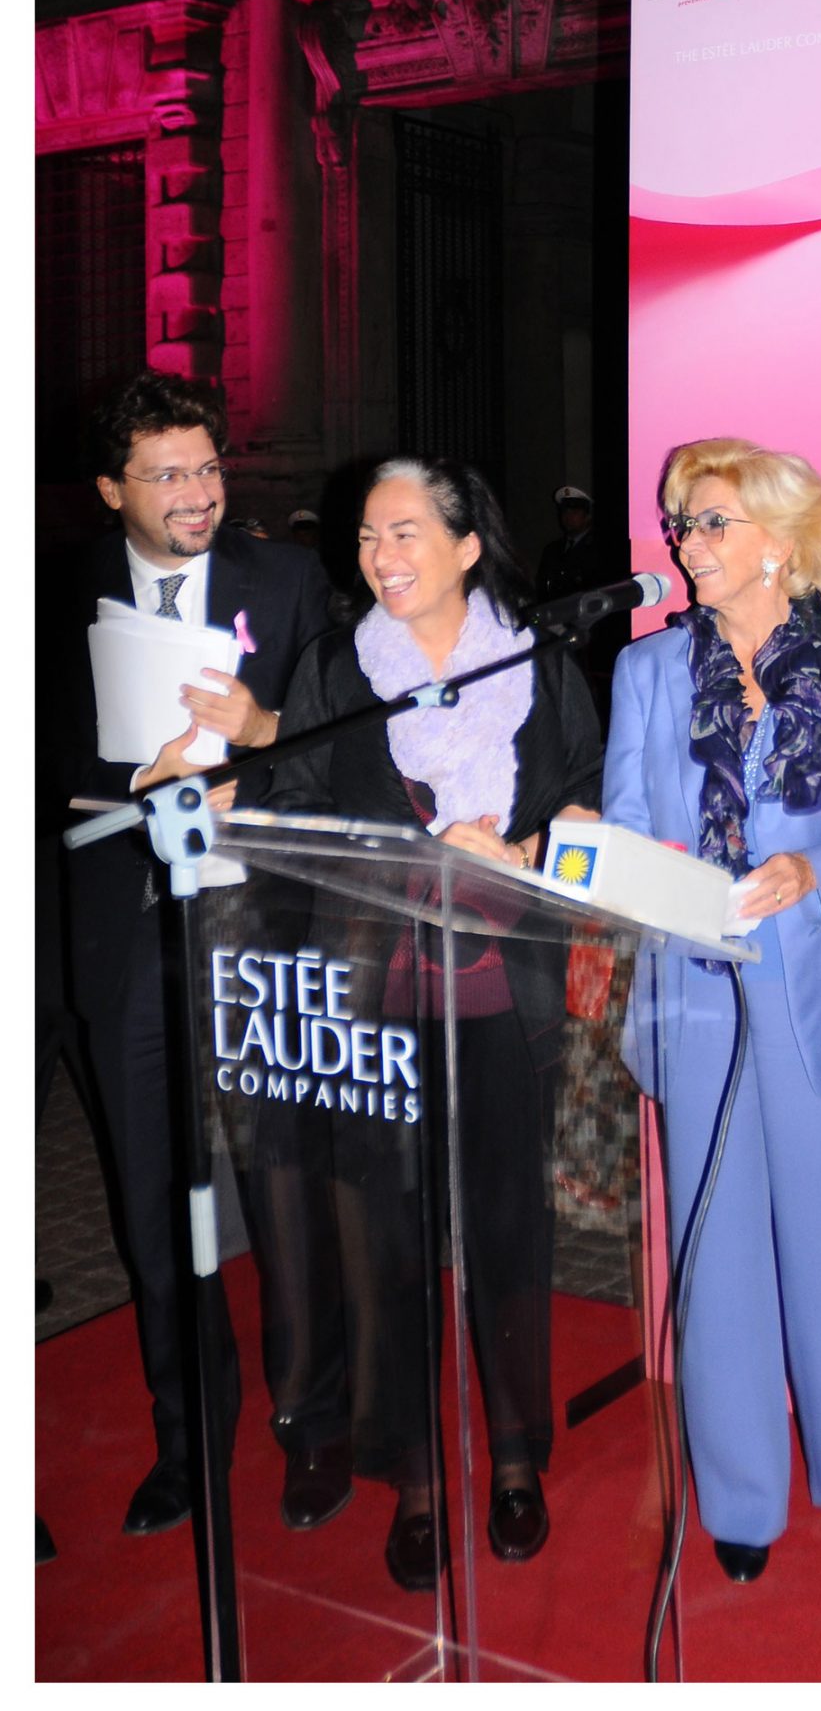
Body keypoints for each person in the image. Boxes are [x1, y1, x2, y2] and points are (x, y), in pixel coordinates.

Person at [266, 457, 603, 1590]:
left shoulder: (537, 657)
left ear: (466, 546)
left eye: (405, 532)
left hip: (503, 991)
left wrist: (530, 846)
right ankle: (412, 1473)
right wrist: (404, 854)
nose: (381, 556)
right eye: (369, 536)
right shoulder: (335, 668)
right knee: (388, 1243)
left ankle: (514, 1457)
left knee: (507, 1229)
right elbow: (295, 813)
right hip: (376, 994)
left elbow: (585, 787)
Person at [604, 439, 821, 1583]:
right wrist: (633, 863)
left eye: (711, 521)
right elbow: (626, 820)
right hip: (693, 983)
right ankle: (737, 1498)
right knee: (714, 1248)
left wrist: (816, 868)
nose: (686, 543)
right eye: (681, 522)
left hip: (817, 988)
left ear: (780, 540)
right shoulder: (646, 668)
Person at [49, 371, 333, 1537]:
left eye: (208, 466)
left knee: (290, 1186)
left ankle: (313, 1422)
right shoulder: (55, 594)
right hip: (126, 930)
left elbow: (337, 743)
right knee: (157, 1201)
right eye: (167, 474)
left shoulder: (289, 579)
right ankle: (190, 1437)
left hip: (261, 924)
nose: (197, 492)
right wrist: (134, 780)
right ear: (111, 487)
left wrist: (257, 747)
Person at [535, 483, 593, 602]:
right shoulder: (552, 550)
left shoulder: (597, 549)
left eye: (574, 512)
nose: (568, 517)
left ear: (587, 516)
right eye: (565, 512)